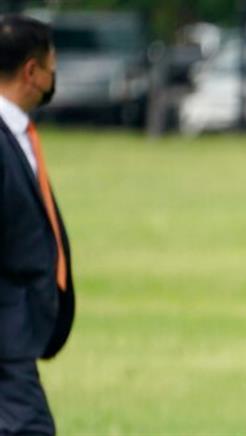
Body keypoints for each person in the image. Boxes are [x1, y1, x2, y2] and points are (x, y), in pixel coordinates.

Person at [0, 14, 76, 435]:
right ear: (31, 71)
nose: (53, 78)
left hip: (19, 338)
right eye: (51, 67)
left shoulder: (16, 134)